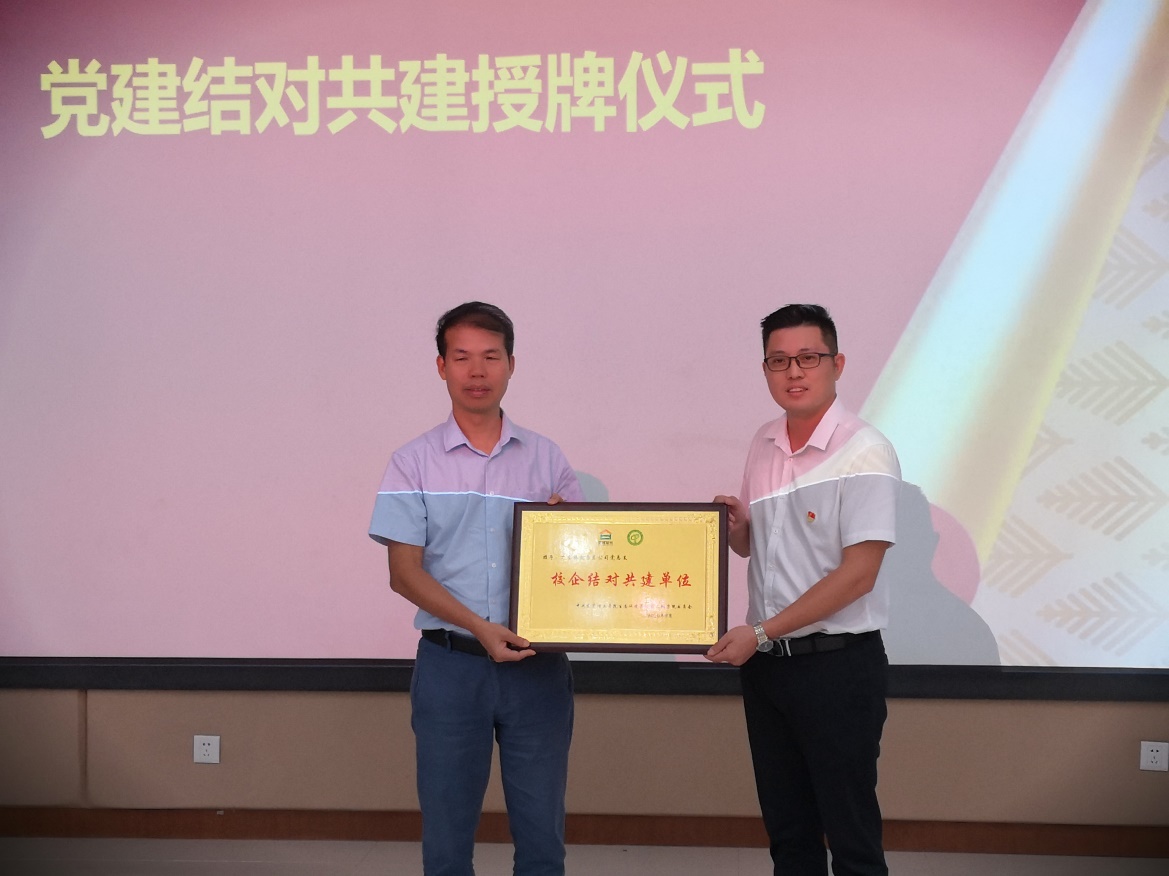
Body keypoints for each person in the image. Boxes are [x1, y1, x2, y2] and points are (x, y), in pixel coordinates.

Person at [369, 301, 583, 876]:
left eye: (491, 356)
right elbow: (403, 572)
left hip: (538, 667)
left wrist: (570, 534)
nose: (477, 371)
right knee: (446, 841)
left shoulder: (548, 459)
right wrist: (480, 628)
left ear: (512, 364)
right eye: (462, 357)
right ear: (441, 366)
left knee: (542, 842)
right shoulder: (411, 463)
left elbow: (585, 565)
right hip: (451, 668)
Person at [706, 303, 900, 876]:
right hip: (768, 669)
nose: (794, 371)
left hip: (838, 667)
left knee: (851, 836)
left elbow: (859, 574)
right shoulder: (764, 441)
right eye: (779, 360)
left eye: (809, 358)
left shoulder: (865, 450)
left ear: (837, 364)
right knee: (789, 835)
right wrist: (735, 529)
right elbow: (756, 549)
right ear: (765, 369)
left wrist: (761, 631)